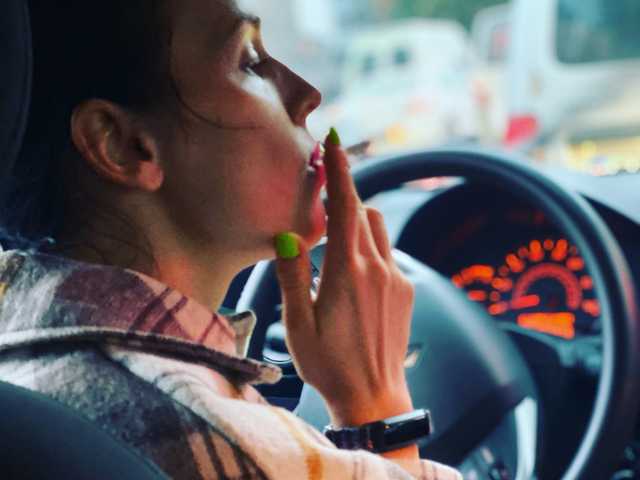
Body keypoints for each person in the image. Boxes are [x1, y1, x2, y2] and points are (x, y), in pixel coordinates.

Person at [0, 1, 461, 479]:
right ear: (122, 144)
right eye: (249, 61)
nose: (308, 95)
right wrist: (375, 402)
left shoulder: (22, 365)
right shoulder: (211, 435)